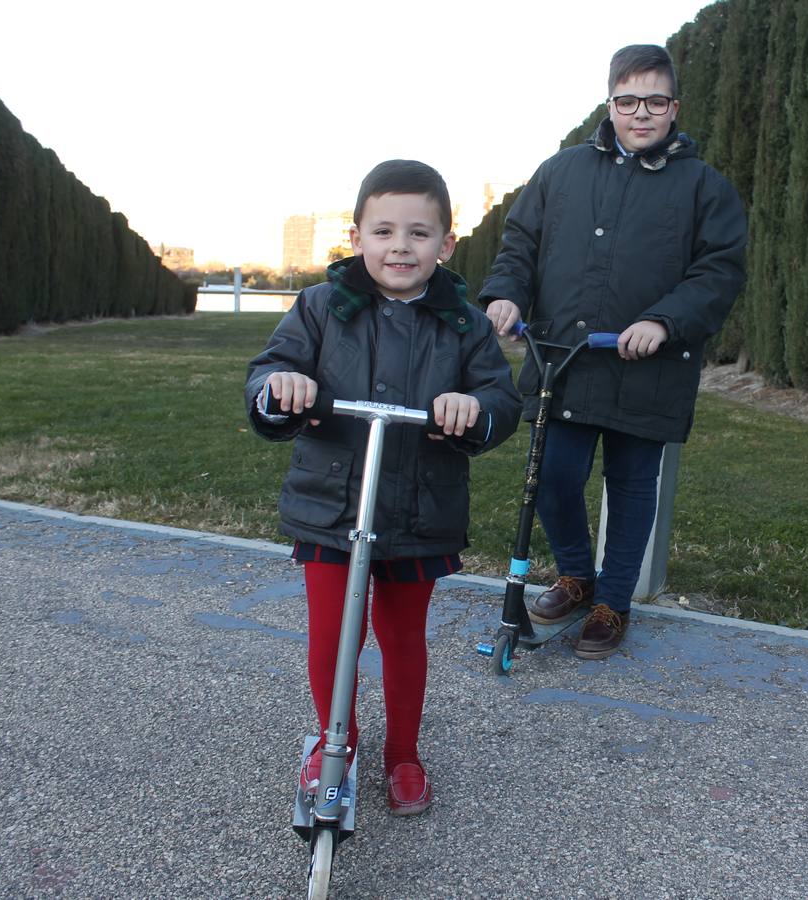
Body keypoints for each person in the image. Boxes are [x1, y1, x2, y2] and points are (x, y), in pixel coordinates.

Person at [246, 159, 522, 816]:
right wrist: (283, 391)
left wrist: (473, 410)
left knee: (402, 637)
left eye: (419, 234)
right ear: (358, 236)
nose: (401, 247)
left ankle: (404, 753)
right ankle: (334, 742)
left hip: (418, 507)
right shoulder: (320, 306)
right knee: (335, 632)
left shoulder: (465, 322)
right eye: (385, 231)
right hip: (332, 504)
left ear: (446, 244)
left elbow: (500, 400)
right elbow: (269, 372)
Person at [480, 44, 747, 659]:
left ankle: (613, 601)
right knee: (553, 474)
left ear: (674, 107)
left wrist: (664, 320)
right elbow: (520, 243)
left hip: (646, 366)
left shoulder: (704, 186)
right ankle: (577, 575)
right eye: (628, 101)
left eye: (655, 101)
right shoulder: (562, 170)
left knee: (631, 484)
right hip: (564, 360)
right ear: (610, 104)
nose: (641, 113)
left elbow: (719, 270)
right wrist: (505, 295)